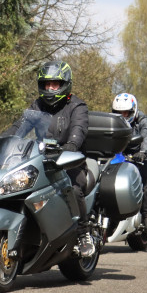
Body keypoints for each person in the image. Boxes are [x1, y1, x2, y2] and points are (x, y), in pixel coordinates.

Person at [27, 61, 93, 256]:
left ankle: (83, 234)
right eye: (46, 85)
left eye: (54, 84)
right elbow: (20, 126)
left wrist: (70, 147)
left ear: (64, 84)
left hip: (70, 162)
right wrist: (2, 140)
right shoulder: (37, 105)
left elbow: (78, 131)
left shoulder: (77, 106)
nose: (49, 89)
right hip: (42, 161)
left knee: (73, 188)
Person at [111, 93, 147, 230]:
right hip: (118, 156)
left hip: (139, 157)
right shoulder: (111, 120)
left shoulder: (142, 120)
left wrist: (143, 152)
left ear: (133, 110)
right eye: (119, 112)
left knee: (145, 184)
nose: (123, 116)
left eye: (126, 112)